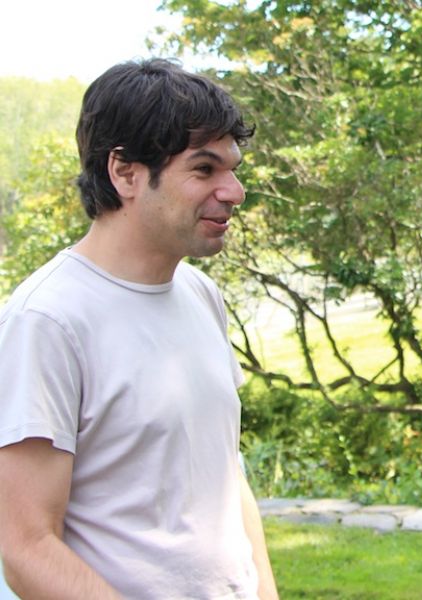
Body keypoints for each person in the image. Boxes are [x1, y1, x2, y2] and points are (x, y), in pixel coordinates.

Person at [0, 59, 279, 599]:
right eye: (204, 170)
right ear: (124, 172)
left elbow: (227, 477)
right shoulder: (47, 322)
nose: (235, 191)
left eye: (232, 169)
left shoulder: (200, 294)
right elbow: (26, 546)